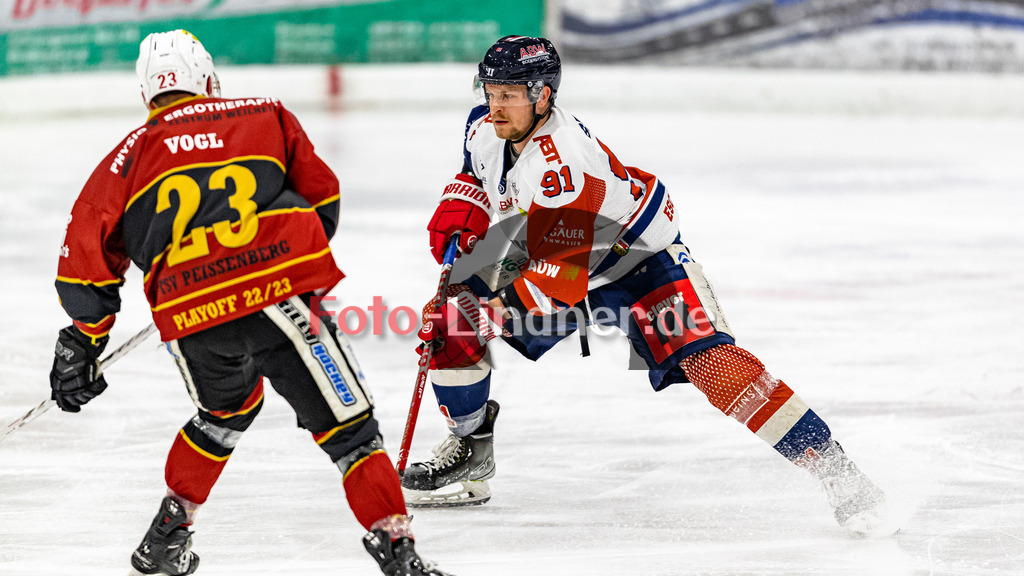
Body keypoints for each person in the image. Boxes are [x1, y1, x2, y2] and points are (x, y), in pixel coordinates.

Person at [401, 35, 888, 534]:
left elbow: (556, 284)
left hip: (637, 261)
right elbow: (477, 175)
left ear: (543, 95)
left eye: (510, 94)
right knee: (449, 316)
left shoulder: (564, 166)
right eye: (491, 90)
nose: (495, 104)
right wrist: (463, 206)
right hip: (557, 252)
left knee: (715, 367)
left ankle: (837, 470)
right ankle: (471, 451)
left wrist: (491, 313)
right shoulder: (483, 125)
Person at [49, 29, 450, 576]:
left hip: (192, 317)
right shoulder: (266, 114)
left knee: (224, 411)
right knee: (350, 432)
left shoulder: (128, 154)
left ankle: (171, 531)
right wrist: (288, 260)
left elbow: (87, 256)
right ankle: (397, 549)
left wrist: (82, 340)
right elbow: (323, 197)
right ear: (210, 80)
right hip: (278, 300)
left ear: (146, 96)